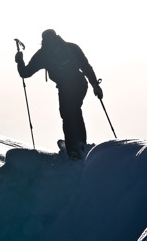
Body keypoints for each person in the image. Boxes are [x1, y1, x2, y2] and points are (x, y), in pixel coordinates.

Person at [16, 29, 102, 159]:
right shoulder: (71, 47)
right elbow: (86, 66)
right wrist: (95, 85)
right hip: (80, 83)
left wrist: (19, 60)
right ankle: (80, 144)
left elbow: (25, 73)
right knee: (75, 111)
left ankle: (73, 147)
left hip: (65, 87)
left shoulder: (43, 54)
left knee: (68, 114)